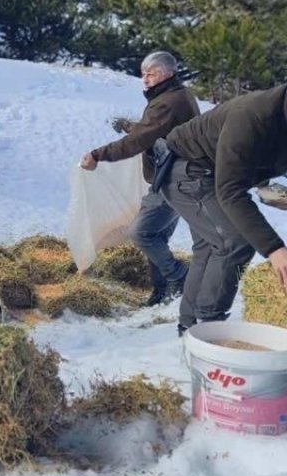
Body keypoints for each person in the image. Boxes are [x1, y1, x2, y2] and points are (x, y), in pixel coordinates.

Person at [155, 56, 287, 335]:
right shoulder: (253, 115)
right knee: (234, 243)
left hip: (221, 174)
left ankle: (189, 326)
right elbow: (230, 190)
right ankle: (208, 327)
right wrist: (274, 249)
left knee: (211, 248)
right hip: (187, 168)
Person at [81, 51, 200, 306]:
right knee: (157, 237)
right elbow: (152, 131)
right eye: (143, 73)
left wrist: (98, 155)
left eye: (151, 73)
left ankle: (180, 277)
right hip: (179, 176)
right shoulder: (175, 94)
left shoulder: (167, 102)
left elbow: (138, 141)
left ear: (168, 73)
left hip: (172, 179)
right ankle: (161, 292)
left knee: (142, 233)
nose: (145, 79)